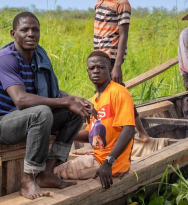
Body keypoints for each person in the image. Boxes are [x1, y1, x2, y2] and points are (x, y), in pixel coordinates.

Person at [0, 12, 93, 200]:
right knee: (42, 113)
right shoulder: (6, 58)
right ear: (13, 33)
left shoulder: (39, 55)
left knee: (74, 114)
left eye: (35, 30)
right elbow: (22, 100)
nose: (31, 34)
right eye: (25, 30)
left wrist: (74, 99)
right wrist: (65, 101)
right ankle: (27, 180)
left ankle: (47, 173)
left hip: (23, 120)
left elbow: (50, 93)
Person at [54, 51, 136, 189]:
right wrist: (61, 134)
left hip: (106, 162)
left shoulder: (119, 92)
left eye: (101, 67)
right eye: (92, 68)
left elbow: (129, 130)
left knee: (50, 173)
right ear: (87, 72)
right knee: (51, 163)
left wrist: (108, 163)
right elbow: (91, 135)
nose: (96, 71)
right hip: (97, 157)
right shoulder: (95, 101)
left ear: (109, 69)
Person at [94, 0, 150, 142]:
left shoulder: (122, 3)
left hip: (111, 58)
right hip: (100, 57)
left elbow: (123, 35)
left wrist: (117, 64)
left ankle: (140, 132)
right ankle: (112, 131)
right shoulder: (100, 0)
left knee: (118, 93)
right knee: (110, 94)